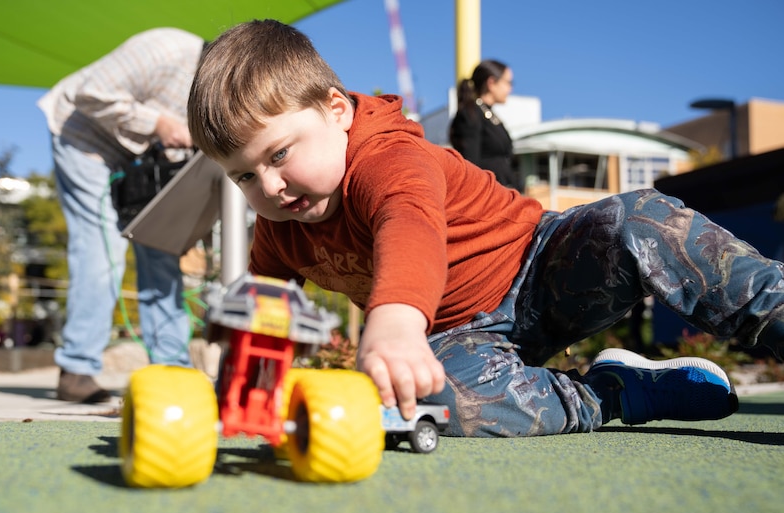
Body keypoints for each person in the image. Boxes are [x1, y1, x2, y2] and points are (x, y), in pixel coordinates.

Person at [187, 19, 784, 437]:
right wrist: (239, 376)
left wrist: (393, 321)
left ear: (337, 111)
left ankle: (775, 309)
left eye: (279, 154)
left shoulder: (387, 158)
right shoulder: (281, 223)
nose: (268, 188)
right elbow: (263, 309)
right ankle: (614, 392)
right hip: (459, 339)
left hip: (543, 270)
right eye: (242, 177)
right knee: (423, 402)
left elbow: (409, 224)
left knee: (644, 221)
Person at [38, 28, 203, 402]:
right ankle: (77, 370)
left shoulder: (211, 102)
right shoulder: (169, 49)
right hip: (82, 140)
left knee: (161, 248)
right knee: (104, 250)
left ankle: (172, 371)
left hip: (138, 162)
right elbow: (90, 92)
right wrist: (159, 123)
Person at [449, 59, 516, 188]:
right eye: (508, 82)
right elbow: (470, 165)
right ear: (491, 83)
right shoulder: (471, 114)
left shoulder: (489, 115)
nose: (510, 89)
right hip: (489, 197)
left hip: (504, 193)